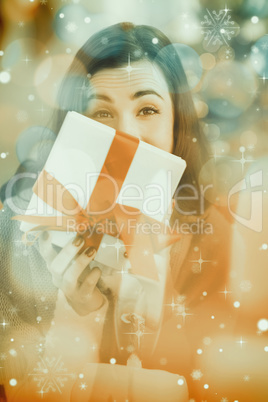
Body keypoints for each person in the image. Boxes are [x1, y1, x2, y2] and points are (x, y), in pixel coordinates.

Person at [0, 22, 233, 401]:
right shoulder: (14, 234)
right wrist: (75, 318)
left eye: (147, 109)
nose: (127, 134)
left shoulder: (211, 238)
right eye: (102, 114)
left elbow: (217, 380)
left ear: (178, 123)